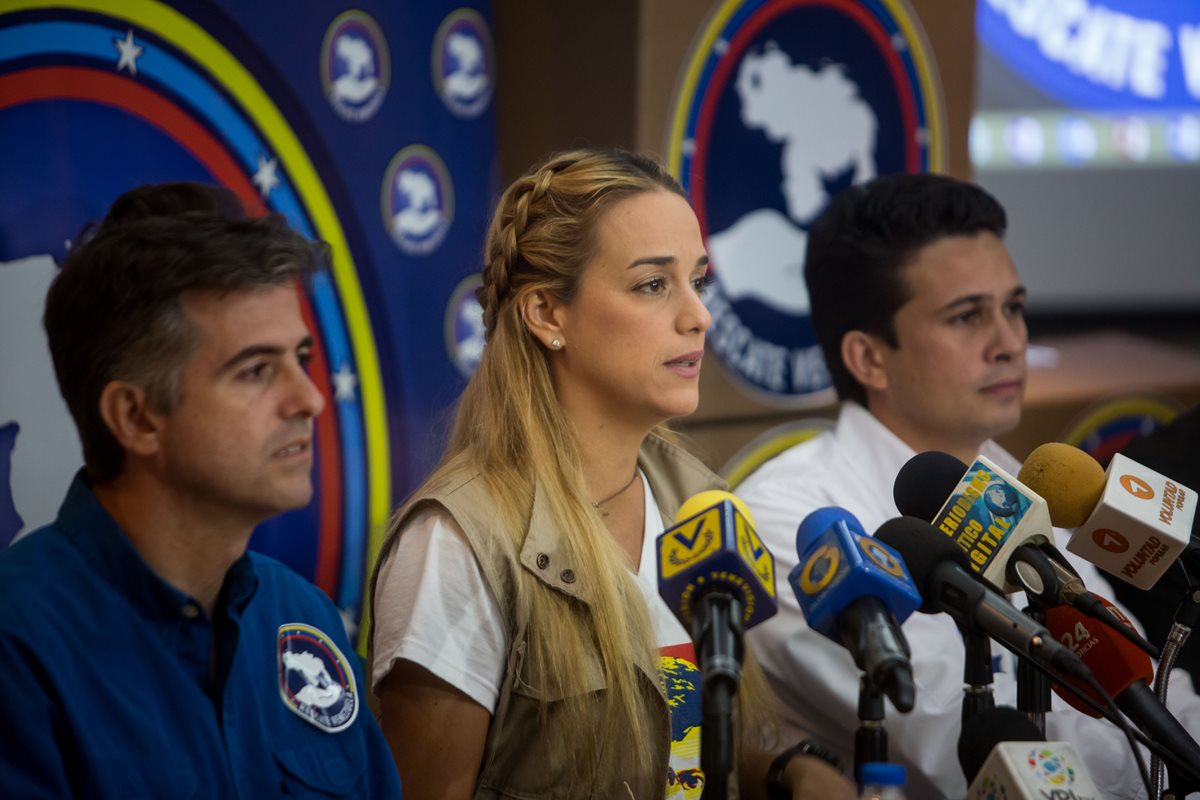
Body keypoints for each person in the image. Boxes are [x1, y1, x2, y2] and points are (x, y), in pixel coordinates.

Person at [369, 148, 855, 800]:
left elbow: (679, 735)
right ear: (547, 314)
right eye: (653, 285)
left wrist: (785, 768)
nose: (699, 316)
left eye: (698, 282)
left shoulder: (700, 502)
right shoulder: (457, 545)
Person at [736, 172, 1200, 798]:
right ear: (868, 357)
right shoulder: (793, 514)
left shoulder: (1033, 485)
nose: (1010, 343)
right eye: (967, 317)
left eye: (1013, 308)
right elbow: (952, 751)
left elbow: (1161, 699)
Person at [0, 183, 402, 798]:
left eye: (301, 357)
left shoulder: (302, 616)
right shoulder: (19, 644)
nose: (310, 399)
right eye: (256, 371)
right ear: (135, 418)